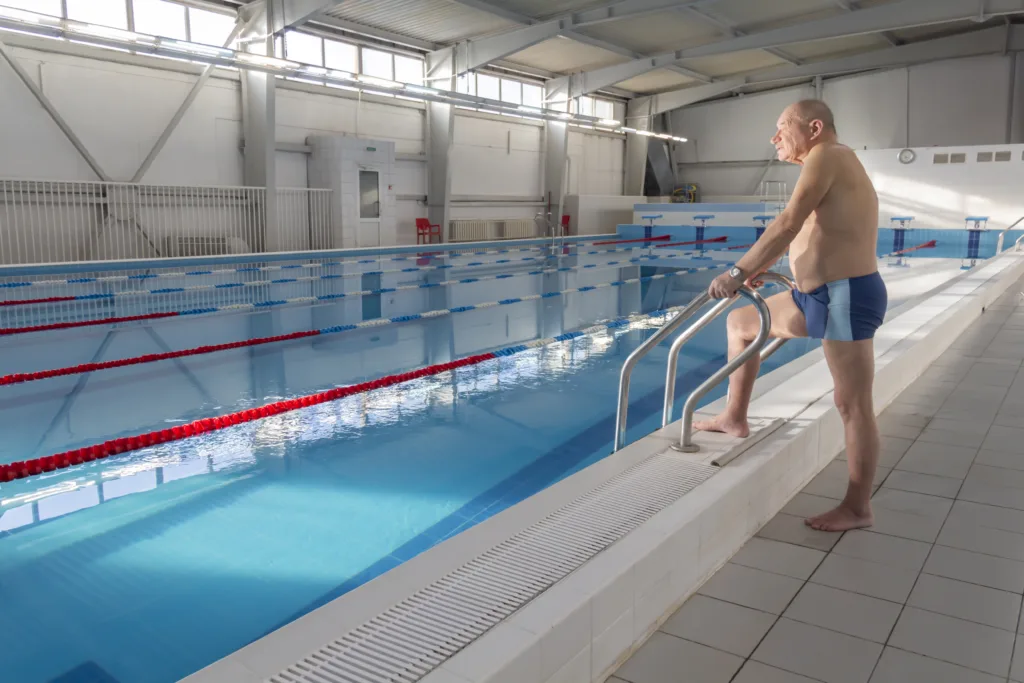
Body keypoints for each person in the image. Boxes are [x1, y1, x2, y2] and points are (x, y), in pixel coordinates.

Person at [696, 100, 886, 533]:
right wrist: (763, 268)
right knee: (741, 325)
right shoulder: (828, 162)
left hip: (846, 296)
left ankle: (858, 507)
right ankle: (734, 417)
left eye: (782, 127)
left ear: (814, 127)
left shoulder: (828, 156)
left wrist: (738, 271)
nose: (774, 137)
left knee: (852, 404)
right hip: (814, 295)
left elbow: (787, 222)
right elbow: (808, 231)